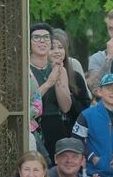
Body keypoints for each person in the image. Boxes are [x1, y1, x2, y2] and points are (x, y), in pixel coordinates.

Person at [33, 26, 91, 158]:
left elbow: (83, 106)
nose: (57, 51)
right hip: (43, 129)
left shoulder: (74, 75)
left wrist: (62, 85)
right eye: (53, 48)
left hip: (69, 131)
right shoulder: (36, 73)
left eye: (61, 47)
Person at [73, 73, 113, 177]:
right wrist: (92, 157)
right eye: (109, 88)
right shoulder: (87, 115)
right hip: (94, 176)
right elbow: (76, 139)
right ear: (100, 91)